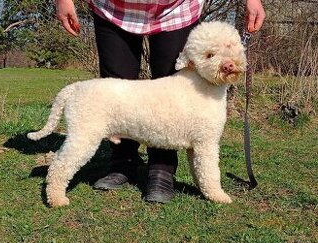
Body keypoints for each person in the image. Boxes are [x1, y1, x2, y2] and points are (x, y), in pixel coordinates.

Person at [55, 0, 266, 203]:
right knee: (118, 89)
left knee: (171, 102)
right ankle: (122, 163)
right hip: (113, 9)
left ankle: (162, 170)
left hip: (176, 10)